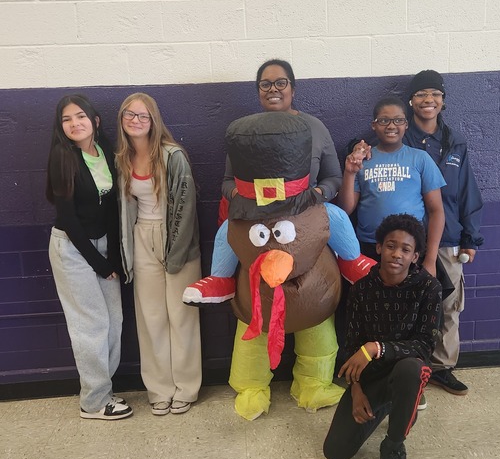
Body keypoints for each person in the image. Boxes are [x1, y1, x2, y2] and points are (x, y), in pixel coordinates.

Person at [184, 59, 373, 305]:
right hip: (256, 215)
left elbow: (334, 178)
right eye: (265, 84)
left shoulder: (314, 127)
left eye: (280, 83)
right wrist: (241, 197)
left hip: (305, 211)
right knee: (227, 229)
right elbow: (228, 181)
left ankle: (352, 261)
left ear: (293, 89)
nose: (273, 89)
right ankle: (221, 278)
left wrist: (317, 194)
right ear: (258, 91)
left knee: (336, 216)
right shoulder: (245, 132)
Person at [354, 71, 483, 396]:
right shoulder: (395, 142)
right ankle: (409, 372)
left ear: (442, 101)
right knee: (406, 309)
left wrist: (471, 237)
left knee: (448, 304)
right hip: (404, 243)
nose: (429, 100)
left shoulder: (453, 143)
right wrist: (357, 153)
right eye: (422, 94)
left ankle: (441, 368)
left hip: (446, 238)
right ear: (411, 102)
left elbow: (467, 193)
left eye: (435, 94)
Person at [323, 214, 442, 459]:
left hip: (405, 370)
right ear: (378, 248)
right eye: (391, 245)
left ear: (415, 257)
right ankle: (389, 402)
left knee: (412, 369)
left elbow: (425, 346)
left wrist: (377, 347)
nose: (396, 254)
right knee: (335, 453)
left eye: (405, 249)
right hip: (370, 378)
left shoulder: (428, 289)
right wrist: (356, 391)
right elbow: (351, 345)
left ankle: (394, 446)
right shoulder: (362, 289)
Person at [46, 96, 132, 420]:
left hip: (103, 246)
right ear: (61, 127)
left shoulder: (105, 151)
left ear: (95, 120)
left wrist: (113, 257)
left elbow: (112, 208)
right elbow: (67, 218)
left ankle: (103, 389)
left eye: (80, 116)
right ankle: (94, 401)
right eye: (67, 119)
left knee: (114, 320)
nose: (74, 123)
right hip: (72, 249)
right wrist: (99, 263)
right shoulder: (62, 157)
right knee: (90, 324)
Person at [117, 93, 202, 415]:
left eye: (143, 116)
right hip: (142, 237)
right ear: (121, 119)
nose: (136, 121)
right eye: (129, 115)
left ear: (154, 121)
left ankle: (186, 387)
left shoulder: (173, 155)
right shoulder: (122, 159)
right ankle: (159, 388)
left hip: (177, 239)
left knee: (181, 316)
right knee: (151, 317)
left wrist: (175, 253)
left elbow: (186, 207)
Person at [338, 95, 446, 276]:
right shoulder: (363, 159)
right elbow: (346, 208)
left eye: (398, 120)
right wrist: (349, 173)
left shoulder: (420, 159)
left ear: (406, 124)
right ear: (374, 125)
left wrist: (430, 259)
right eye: (384, 120)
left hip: (409, 247)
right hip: (370, 247)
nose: (391, 126)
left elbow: (436, 211)